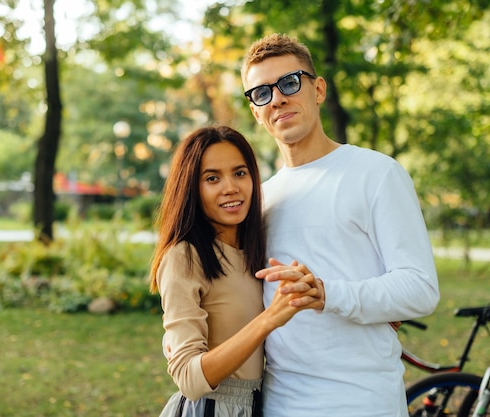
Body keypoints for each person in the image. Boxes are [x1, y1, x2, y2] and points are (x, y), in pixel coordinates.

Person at [241, 33, 440, 416]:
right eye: (261, 93)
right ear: (256, 112)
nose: (278, 98)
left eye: (289, 83)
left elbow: (420, 289)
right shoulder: (260, 200)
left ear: (318, 89)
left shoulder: (376, 173)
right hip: (280, 403)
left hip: (362, 400)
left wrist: (328, 293)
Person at [149, 125, 323, 417]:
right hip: (209, 407)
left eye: (240, 173)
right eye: (212, 178)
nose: (230, 187)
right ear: (192, 187)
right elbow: (189, 379)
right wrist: (269, 319)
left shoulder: (259, 248)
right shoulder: (184, 256)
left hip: (259, 404)